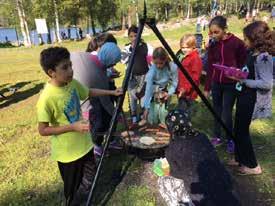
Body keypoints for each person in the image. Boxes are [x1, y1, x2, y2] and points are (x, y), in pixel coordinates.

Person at [36, 47, 122, 205]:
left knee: (90, 179)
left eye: (70, 65)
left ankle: (86, 200)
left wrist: (111, 93)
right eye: (64, 67)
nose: (70, 71)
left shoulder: (72, 83)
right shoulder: (46, 98)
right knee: (72, 190)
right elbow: (43, 130)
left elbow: (88, 92)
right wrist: (72, 127)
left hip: (86, 146)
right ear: (51, 72)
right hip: (68, 155)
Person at [228, 21, 274, 175]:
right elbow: (249, 72)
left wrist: (245, 81)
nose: (244, 42)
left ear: (256, 40)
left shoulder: (263, 57)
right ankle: (240, 158)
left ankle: (253, 166)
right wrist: (237, 74)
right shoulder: (252, 54)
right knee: (238, 128)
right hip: (244, 96)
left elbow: (267, 83)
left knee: (242, 132)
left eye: (246, 39)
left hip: (251, 99)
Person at [204, 16, 247, 153]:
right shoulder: (213, 44)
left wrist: (237, 74)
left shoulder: (237, 43)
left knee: (226, 112)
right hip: (217, 83)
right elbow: (210, 66)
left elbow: (243, 62)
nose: (213, 35)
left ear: (224, 30)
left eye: (216, 32)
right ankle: (217, 136)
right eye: (211, 32)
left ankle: (230, 139)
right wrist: (207, 86)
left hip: (230, 84)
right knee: (216, 110)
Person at [72, 42, 122, 158]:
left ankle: (107, 141)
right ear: (110, 61)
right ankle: (96, 147)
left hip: (80, 88)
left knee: (98, 119)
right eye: (113, 62)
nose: (114, 64)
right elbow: (105, 101)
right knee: (96, 122)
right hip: (82, 99)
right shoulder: (97, 75)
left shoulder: (84, 55)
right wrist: (116, 114)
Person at [121, 25, 153, 124]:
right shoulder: (126, 48)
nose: (134, 38)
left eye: (136, 35)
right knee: (133, 97)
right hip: (132, 76)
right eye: (131, 36)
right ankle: (134, 116)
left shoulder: (146, 46)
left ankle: (144, 116)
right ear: (128, 37)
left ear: (139, 35)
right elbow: (122, 61)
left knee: (143, 96)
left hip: (144, 75)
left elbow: (151, 61)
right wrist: (131, 50)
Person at [139, 47, 178, 127]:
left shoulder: (172, 67)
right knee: (152, 119)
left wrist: (169, 93)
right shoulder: (152, 72)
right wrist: (146, 109)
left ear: (165, 60)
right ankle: (148, 117)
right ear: (153, 60)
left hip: (165, 90)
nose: (158, 66)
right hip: (153, 89)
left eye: (161, 63)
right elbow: (148, 90)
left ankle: (164, 122)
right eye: (156, 63)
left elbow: (175, 82)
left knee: (163, 115)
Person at [177, 34, 202, 116]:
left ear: (193, 46)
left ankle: (186, 127)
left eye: (187, 47)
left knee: (185, 113)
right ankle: (181, 127)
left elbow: (195, 78)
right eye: (182, 47)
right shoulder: (186, 56)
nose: (184, 50)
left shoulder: (195, 58)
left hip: (189, 93)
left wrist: (185, 89)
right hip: (182, 90)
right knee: (181, 111)